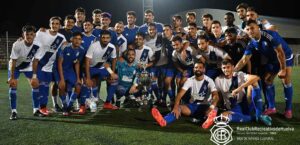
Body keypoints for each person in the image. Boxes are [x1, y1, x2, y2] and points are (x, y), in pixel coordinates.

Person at [234, 20, 294, 119]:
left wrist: (283, 69)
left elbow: (280, 52)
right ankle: (272, 107)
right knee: (267, 80)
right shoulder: (252, 42)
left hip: (285, 57)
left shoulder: (269, 36)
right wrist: (234, 71)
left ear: (258, 27)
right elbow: (244, 59)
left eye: (252, 28)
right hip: (273, 60)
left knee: (286, 81)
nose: (250, 31)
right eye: (248, 29)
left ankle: (288, 109)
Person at [151, 61, 219, 129]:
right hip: (191, 107)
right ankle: (164, 120)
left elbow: (215, 95)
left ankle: (207, 120)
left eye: (200, 67)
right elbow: (180, 94)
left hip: (205, 106)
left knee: (213, 110)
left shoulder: (209, 80)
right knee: (178, 108)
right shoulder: (190, 80)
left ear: (204, 69)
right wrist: (176, 106)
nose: (198, 69)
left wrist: (211, 107)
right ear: (193, 69)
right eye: (196, 67)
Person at [215, 59, 272, 126]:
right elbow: (218, 96)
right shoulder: (218, 79)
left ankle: (258, 114)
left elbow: (256, 77)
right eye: (224, 68)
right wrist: (216, 108)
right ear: (221, 68)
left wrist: (240, 88)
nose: (226, 70)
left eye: (228, 67)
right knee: (223, 117)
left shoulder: (239, 74)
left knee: (254, 83)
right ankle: (254, 117)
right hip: (232, 106)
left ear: (233, 67)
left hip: (244, 102)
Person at [7, 25, 43, 119]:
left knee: (35, 85)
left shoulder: (38, 45)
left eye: (31, 34)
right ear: (23, 35)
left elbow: (35, 61)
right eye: (27, 34)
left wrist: (34, 76)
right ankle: (14, 111)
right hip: (16, 67)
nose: (29, 36)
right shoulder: (17, 44)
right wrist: (11, 77)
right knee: (13, 86)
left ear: (34, 35)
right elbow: (13, 60)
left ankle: (36, 110)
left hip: (28, 66)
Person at [35, 16, 67, 116]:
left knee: (45, 87)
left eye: (57, 23)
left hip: (49, 66)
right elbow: (31, 39)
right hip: (39, 64)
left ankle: (42, 108)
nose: (55, 25)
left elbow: (66, 47)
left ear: (60, 25)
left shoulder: (61, 38)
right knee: (40, 88)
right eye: (53, 23)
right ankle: (39, 108)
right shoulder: (42, 32)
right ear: (49, 24)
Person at [85, 30, 119, 110]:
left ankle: (107, 103)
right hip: (91, 68)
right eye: (103, 37)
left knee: (115, 79)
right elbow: (87, 62)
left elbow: (114, 60)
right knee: (90, 83)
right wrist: (88, 77)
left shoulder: (112, 47)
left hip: (103, 68)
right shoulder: (93, 46)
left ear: (110, 39)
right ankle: (85, 103)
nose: (105, 39)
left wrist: (112, 73)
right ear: (100, 38)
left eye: (107, 38)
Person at [57, 32, 85, 115]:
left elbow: (77, 63)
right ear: (71, 39)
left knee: (78, 86)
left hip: (69, 70)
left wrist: (78, 78)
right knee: (62, 86)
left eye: (79, 39)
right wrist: (62, 79)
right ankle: (64, 106)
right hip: (59, 69)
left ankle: (69, 106)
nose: (77, 41)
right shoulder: (64, 47)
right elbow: (59, 63)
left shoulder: (81, 50)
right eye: (75, 38)